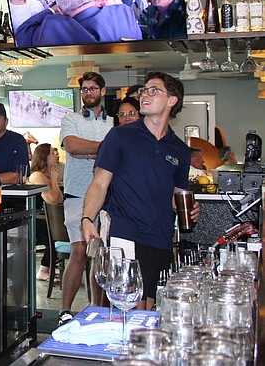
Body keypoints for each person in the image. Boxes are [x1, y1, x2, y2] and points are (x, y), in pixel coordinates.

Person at [82, 72, 200, 311]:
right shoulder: (120, 136)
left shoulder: (179, 150)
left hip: (161, 237)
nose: (145, 94)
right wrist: (87, 218)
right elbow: (99, 183)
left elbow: (177, 195)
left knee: (150, 309)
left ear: (172, 101)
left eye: (154, 90)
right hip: (126, 234)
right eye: (145, 90)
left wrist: (189, 208)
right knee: (129, 307)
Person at [57, 71, 113, 325]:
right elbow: (72, 147)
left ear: (102, 91)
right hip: (77, 193)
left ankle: (96, 308)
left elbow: (83, 148)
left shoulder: (114, 123)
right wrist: (104, 148)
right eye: (85, 89)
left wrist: (88, 149)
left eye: (93, 88)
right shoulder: (71, 119)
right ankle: (64, 310)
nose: (88, 93)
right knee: (79, 250)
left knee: (100, 253)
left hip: (109, 195)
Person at [15, 0, 142, 47]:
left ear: (61, 10)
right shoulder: (125, 11)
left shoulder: (54, 26)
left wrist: (51, 9)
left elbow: (23, 30)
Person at [28, 143, 63, 281]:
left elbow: (59, 199)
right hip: (36, 220)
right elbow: (52, 199)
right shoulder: (37, 175)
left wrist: (53, 180)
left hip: (46, 218)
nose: (56, 155)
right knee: (56, 234)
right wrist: (54, 180)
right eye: (52, 153)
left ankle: (49, 267)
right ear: (44, 156)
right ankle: (43, 269)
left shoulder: (46, 176)